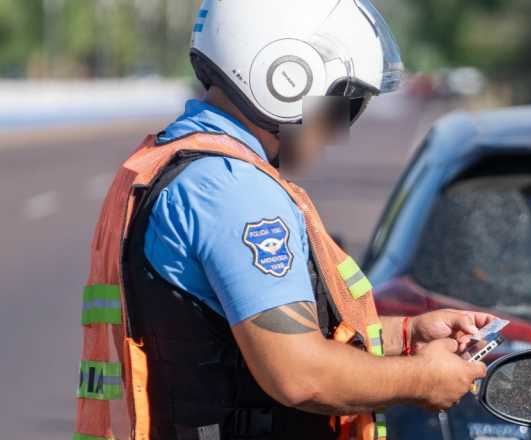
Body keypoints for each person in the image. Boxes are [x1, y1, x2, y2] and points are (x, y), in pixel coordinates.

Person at [73, 1, 490, 439]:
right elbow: (300, 373)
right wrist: (422, 380)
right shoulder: (233, 191)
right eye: (343, 105)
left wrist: (406, 335)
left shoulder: (174, 165)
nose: (341, 132)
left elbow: (250, 335)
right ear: (286, 79)